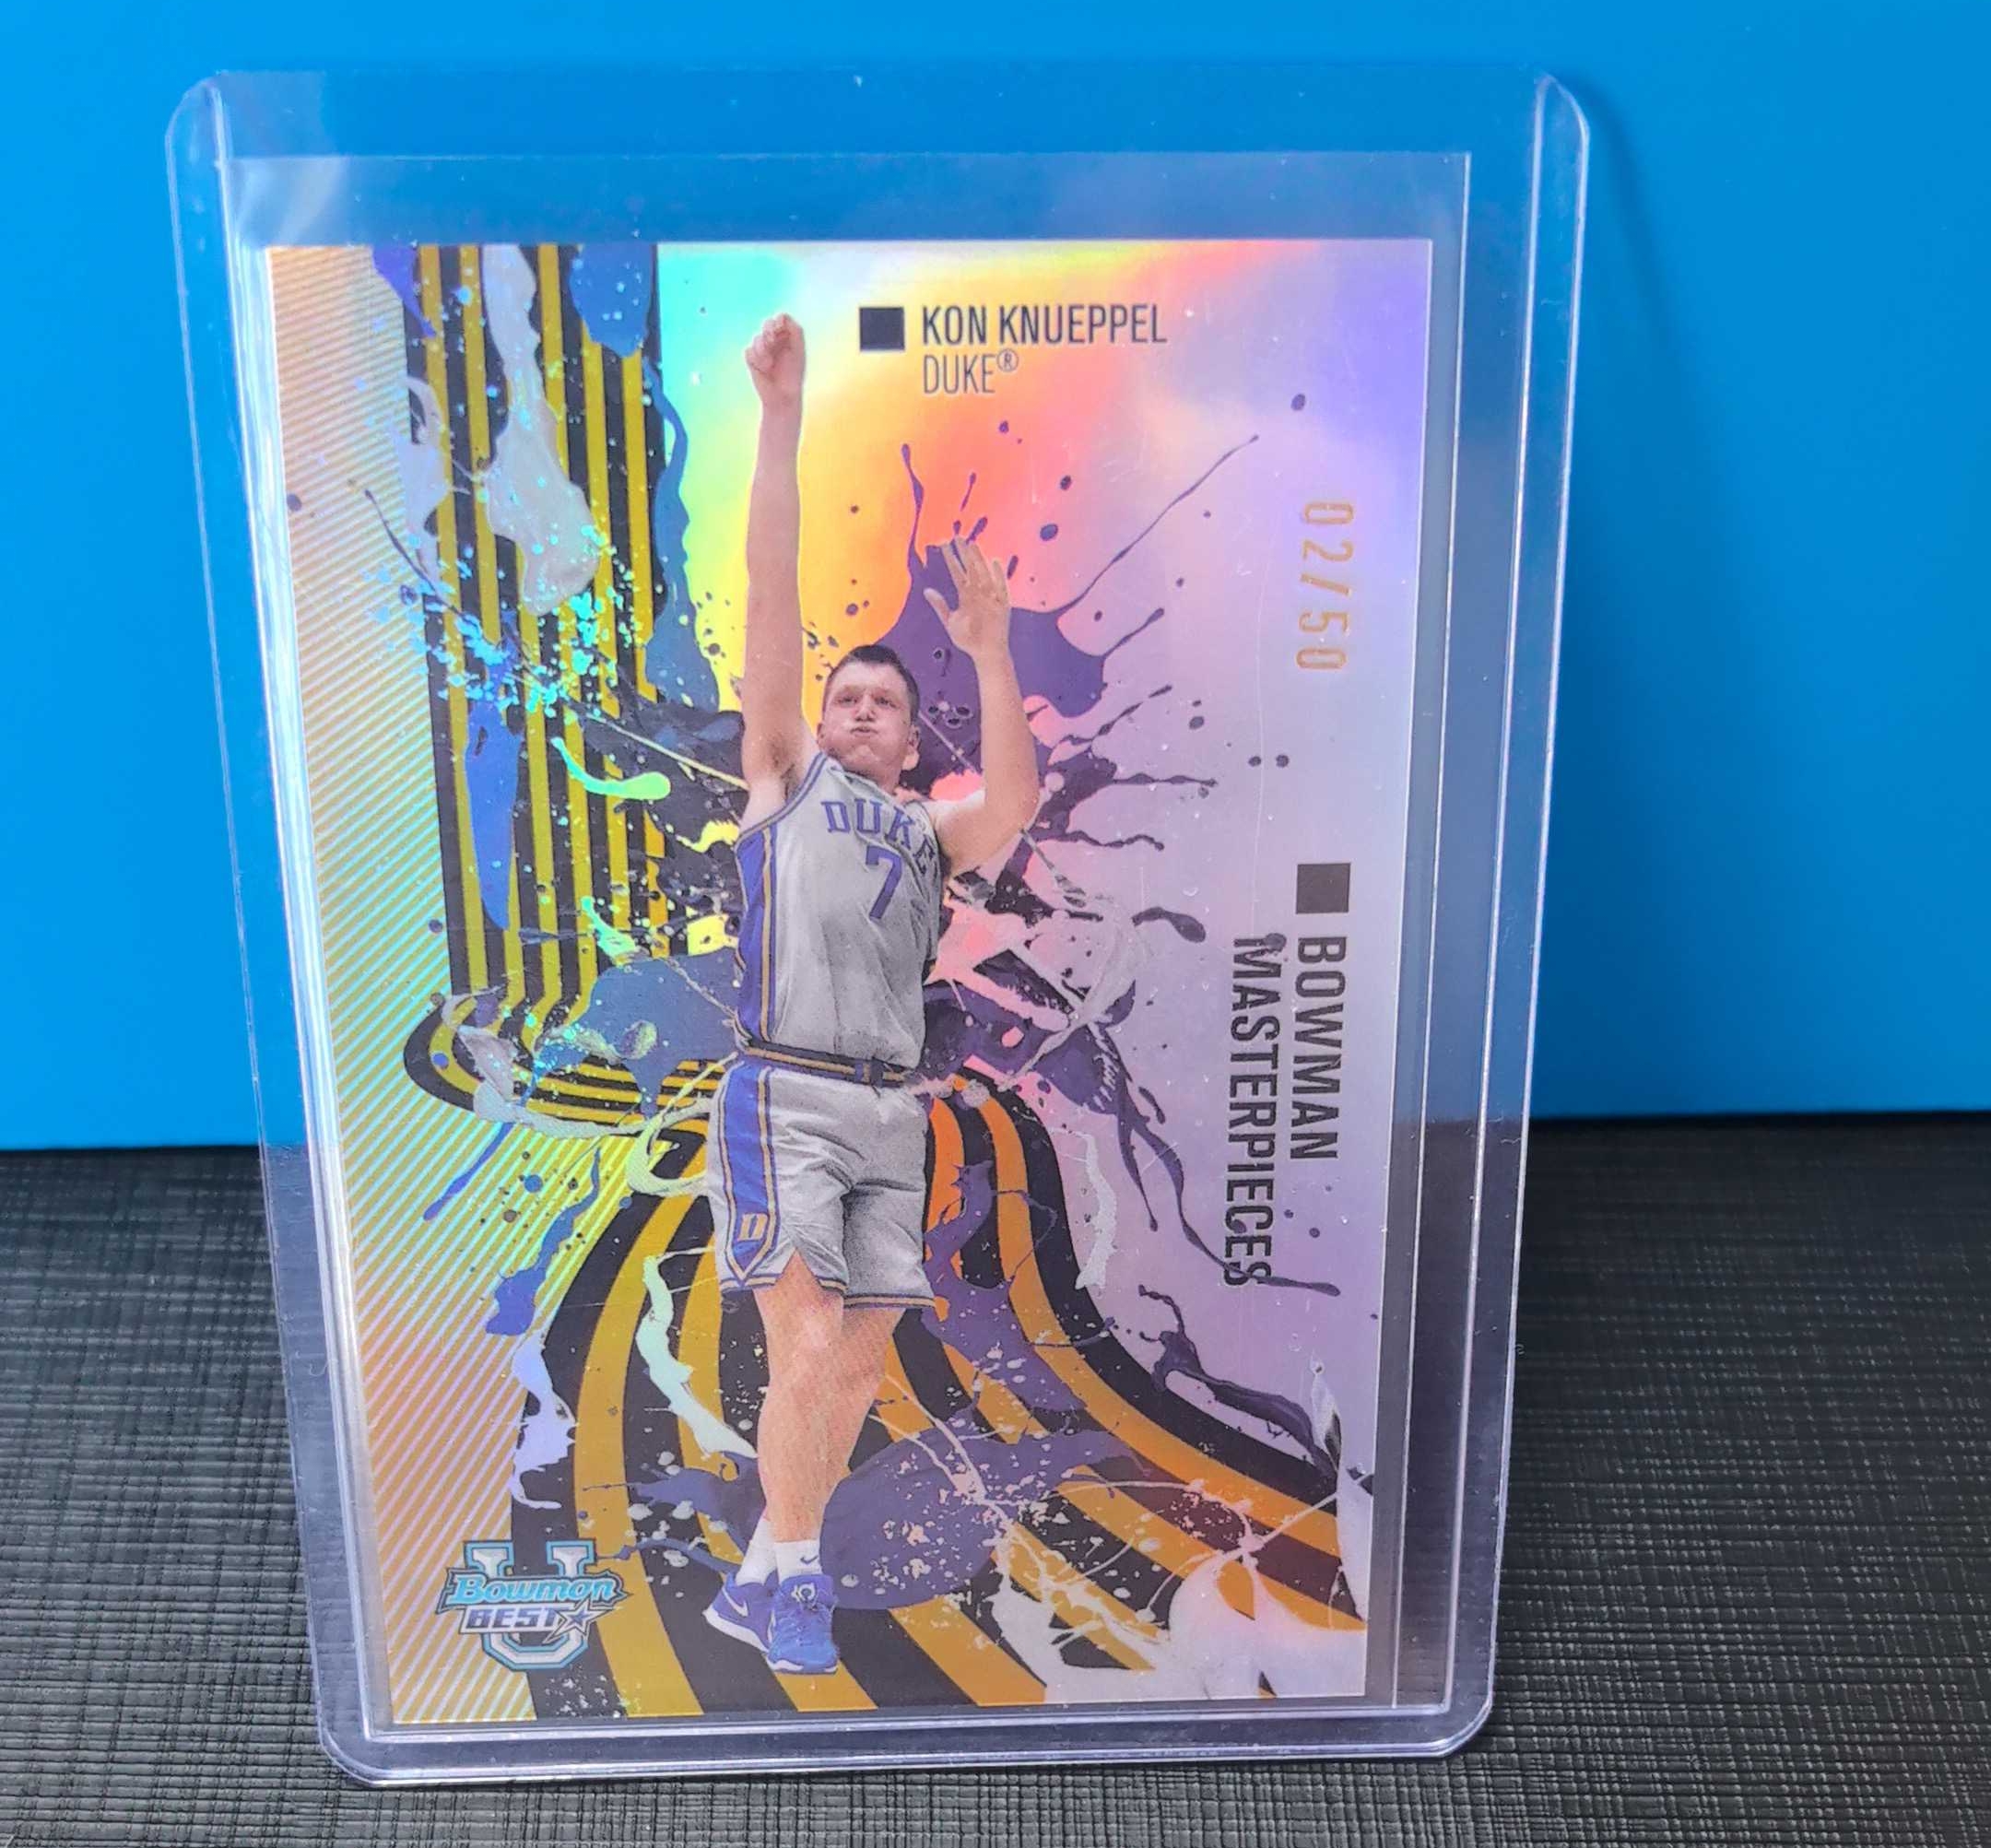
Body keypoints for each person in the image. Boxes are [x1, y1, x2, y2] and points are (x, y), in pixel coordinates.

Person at [701, 312, 1042, 1675]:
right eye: (842, 693)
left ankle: (762, 1573)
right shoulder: (784, 779)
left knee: (856, 1361)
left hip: (893, 1112)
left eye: (881, 703)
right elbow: (769, 591)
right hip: (784, 1087)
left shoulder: (928, 829)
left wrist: (992, 649)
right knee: (805, 1339)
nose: (854, 707)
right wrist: (781, 415)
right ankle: (794, 1575)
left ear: (909, 740)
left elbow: (1011, 803)